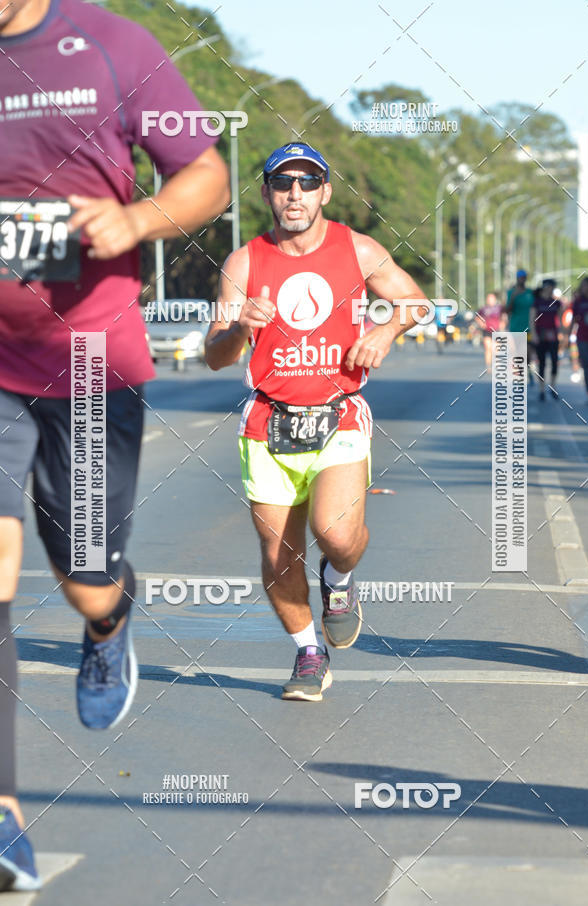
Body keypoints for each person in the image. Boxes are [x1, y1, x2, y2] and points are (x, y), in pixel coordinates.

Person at [0, 0, 229, 890]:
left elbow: (204, 175)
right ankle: (6, 815)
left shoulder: (111, 44)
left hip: (89, 360)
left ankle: (110, 621)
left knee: (85, 578)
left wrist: (139, 221)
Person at [205, 142, 427, 702]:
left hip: (338, 415)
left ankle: (341, 579)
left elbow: (416, 302)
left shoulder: (357, 248)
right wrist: (239, 330)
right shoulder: (245, 261)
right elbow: (215, 352)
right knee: (279, 556)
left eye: (307, 183)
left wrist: (383, 331)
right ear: (267, 194)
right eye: (283, 184)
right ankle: (308, 651)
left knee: (335, 533)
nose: (295, 194)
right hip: (267, 422)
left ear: (325, 191)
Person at [530, 279, 561, 401]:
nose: (550, 290)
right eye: (548, 287)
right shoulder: (537, 302)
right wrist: (534, 335)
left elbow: (560, 320)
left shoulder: (556, 303)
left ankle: (553, 387)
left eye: (552, 287)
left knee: (554, 361)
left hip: (553, 335)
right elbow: (532, 320)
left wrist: (563, 333)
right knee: (542, 363)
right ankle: (541, 389)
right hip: (540, 335)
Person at [506, 269, 535, 383]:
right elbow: (507, 310)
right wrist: (513, 297)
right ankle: (521, 374)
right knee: (519, 351)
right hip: (516, 327)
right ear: (517, 278)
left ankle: (527, 369)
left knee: (528, 350)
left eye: (524, 277)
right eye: (520, 277)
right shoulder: (511, 292)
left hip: (529, 327)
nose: (522, 279)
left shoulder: (530, 292)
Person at [477, 291, 504, 371]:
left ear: (494, 299)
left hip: (496, 330)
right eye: (488, 298)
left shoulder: (499, 308)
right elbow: (477, 317)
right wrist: (481, 323)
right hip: (487, 331)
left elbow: (504, 317)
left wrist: (503, 324)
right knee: (488, 348)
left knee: (496, 349)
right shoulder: (484, 308)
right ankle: (488, 366)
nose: (490, 300)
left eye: (491, 298)